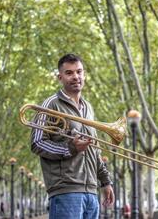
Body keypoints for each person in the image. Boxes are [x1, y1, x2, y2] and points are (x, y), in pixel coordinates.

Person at [30, 53, 114, 219]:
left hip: (91, 191)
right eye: (69, 73)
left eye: (79, 72)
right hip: (66, 191)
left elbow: (94, 149)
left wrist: (105, 181)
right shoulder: (50, 104)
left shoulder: (88, 108)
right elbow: (37, 142)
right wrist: (70, 148)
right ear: (60, 77)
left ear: (84, 75)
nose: (76, 76)